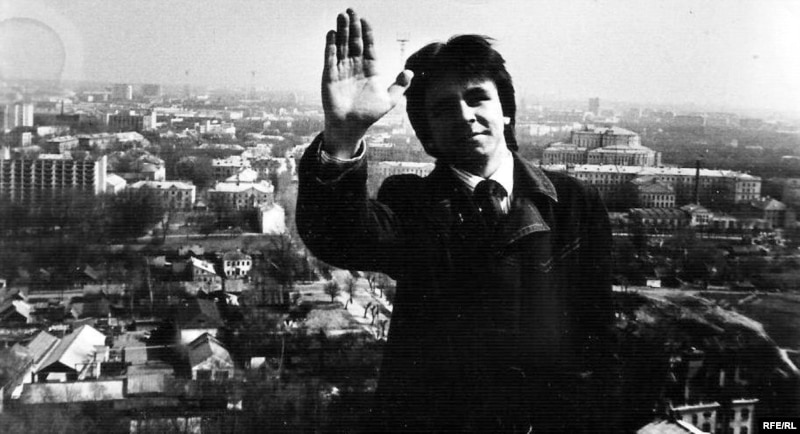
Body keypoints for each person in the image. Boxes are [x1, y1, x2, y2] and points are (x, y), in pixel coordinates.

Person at [297, 8, 617, 433]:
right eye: (444, 109)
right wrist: (344, 135)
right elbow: (339, 236)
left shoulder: (574, 203)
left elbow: (597, 332)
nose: (465, 115)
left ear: (506, 111)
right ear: (428, 134)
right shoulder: (413, 203)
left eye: (477, 98)